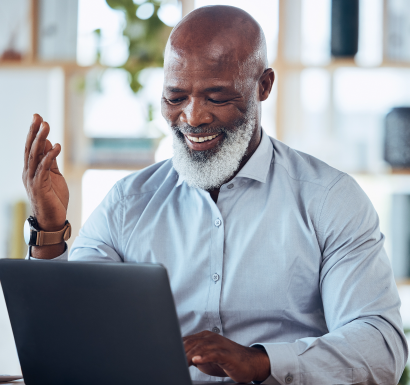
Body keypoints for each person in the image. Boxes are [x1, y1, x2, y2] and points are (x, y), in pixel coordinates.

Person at [22, 5, 407, 385]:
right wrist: (51, 229)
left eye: (217, 97)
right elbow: (72, 333)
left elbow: (381, 347)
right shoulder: (128, 202)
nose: (193, 117)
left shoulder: (329, 199)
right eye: (175, 98)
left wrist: (260, 362)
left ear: (264, 86)